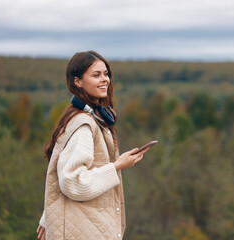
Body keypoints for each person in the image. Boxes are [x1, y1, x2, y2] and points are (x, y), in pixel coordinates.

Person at [36, 51, 150, 240]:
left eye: (106, 74)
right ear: (77, 81)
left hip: (88, 226)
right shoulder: (84, 126)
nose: (104, 79)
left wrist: (51, 214)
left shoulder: (87, 119)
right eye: (96, 75)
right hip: (86, 230)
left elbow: (62, 174)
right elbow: (72, 181)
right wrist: (117, 166)